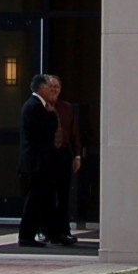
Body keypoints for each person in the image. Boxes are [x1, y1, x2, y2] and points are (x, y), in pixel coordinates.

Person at [16, 71, 62, 248]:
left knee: (47, 198)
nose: (52, 90)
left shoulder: (37, 105)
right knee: (35, 200)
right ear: (41, 88)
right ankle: (26, 236)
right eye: (49, 87)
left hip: (41, 162)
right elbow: (47, 130)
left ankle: (53, 233)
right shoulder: (35, 106)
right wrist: (51, 114)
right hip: (36, 163)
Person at [49, 78, 82, 246]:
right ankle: (46, 231)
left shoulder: (66, 108)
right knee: (47, 194)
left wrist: (77, 155)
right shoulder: (41, 106)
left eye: (57, 86)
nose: (54, 89)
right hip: (47, 154)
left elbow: (74, 133)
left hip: (63, 153)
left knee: (63, 194)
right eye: (51, 86)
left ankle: (64, 231)